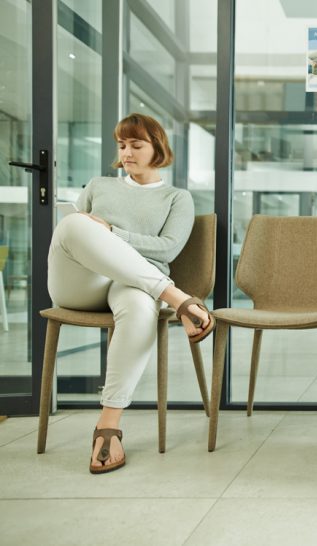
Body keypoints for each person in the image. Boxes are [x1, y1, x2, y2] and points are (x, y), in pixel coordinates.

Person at [48, 113, 215, 475]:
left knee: (141, 309)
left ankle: (108, 427)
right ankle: (177, 298)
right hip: (80, 283)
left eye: (136, 145)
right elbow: (82, 238)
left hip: (133, 285)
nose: (127, 152)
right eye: (122, 145)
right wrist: (99, 232)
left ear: (158, 149)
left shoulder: (177, 198)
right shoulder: (98, 185)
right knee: (74, 223)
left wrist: (113, 231)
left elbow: (168, 249)